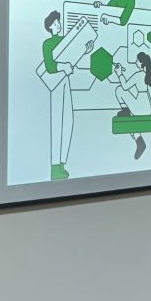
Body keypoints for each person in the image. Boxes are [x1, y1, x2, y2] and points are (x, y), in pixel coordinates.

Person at [41, 10, 92, 180]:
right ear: (49, 27)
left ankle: (62, 163)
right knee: (57, 123)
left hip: (65, 81)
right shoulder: (48, 44)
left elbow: (73, 56)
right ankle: (54, 168)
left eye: (58, 22)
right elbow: (50, 66)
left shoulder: (65, 40)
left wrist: (85, 50)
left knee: (68, 121)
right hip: (55, 83)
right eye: (55, 23)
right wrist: (63, 66)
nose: (58, 25)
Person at [113, 51, 151, 159]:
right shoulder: (148, 76)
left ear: (142, 63)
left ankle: (126, 111)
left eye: (137, 60)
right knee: (126, 115)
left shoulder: (140, 75)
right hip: (146, 108)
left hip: (139, 108)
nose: (135, 62)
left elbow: (125, 86)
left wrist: (119, 73)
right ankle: (139, 140)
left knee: (119, 90)